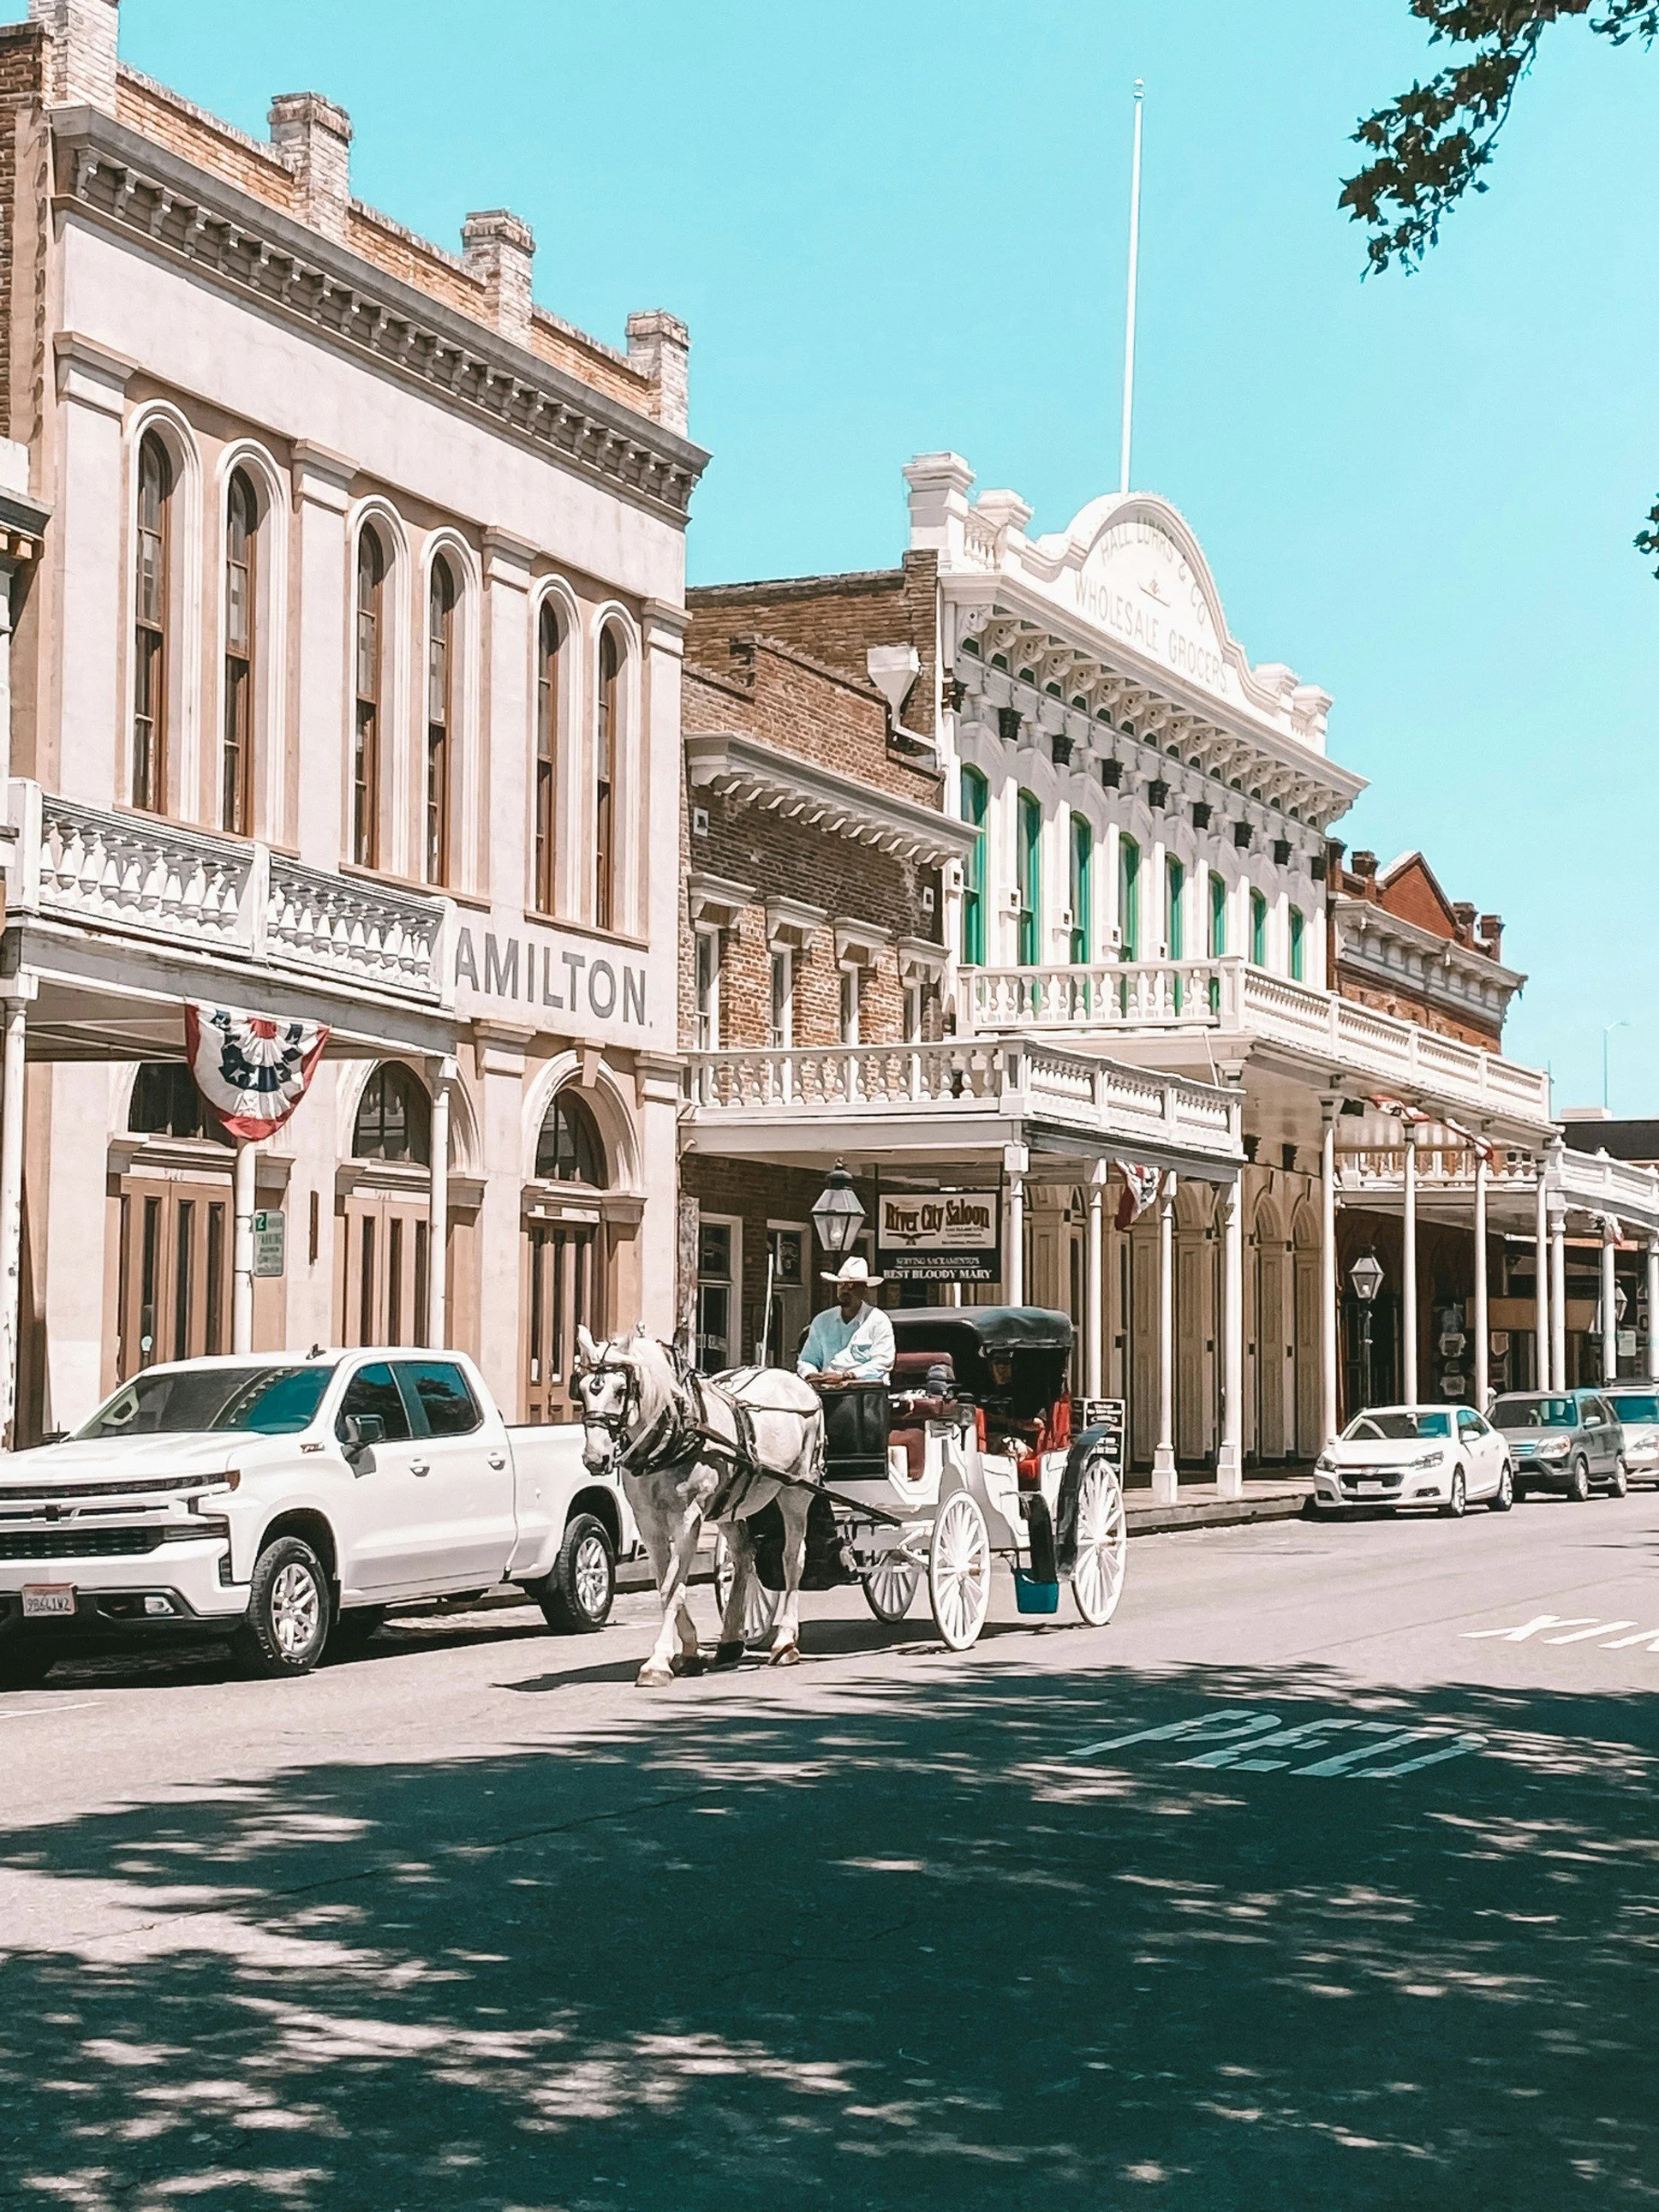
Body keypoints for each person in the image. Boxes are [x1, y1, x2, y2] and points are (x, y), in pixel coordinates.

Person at [797, 1255, 895, 1387]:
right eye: (841, 1284)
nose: (844, 1290)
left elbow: (883, 1362)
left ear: (864, 1290)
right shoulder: (822, 1320)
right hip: (826, 1390)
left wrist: (847, 1376)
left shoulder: (878, 1320)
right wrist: (811, 1375)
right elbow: (807, 1360)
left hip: (864, 1392)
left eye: (851, 1286)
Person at [979, 1349, 1043, 1452]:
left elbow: (1039, 1424)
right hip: (989, 1444)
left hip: (1021, 1445)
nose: (1001, 1367)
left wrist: (1006, 1421)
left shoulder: (1026, 1392)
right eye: (997, 1362)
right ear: (990, 1366)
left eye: (1006, 1362)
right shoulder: (982, 1391)